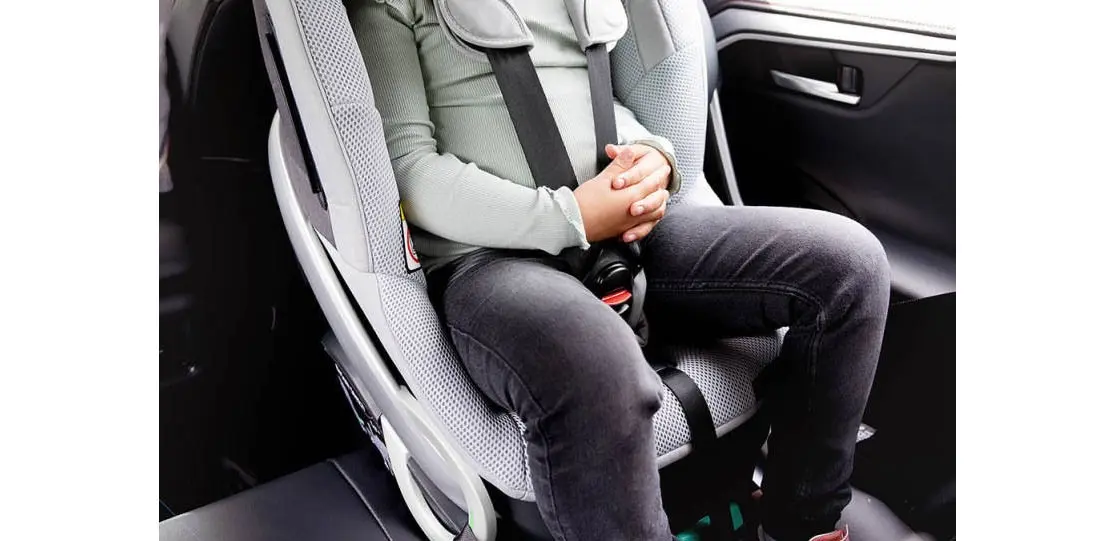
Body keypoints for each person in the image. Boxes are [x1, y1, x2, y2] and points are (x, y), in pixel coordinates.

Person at [351, 1, 890, 540]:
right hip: (492, 260)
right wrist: (569, 217)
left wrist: (653, 156)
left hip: (622, 234)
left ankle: (799, 525)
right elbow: (409, 170)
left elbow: (592, 103)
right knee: (596, 363)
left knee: (850, 267)